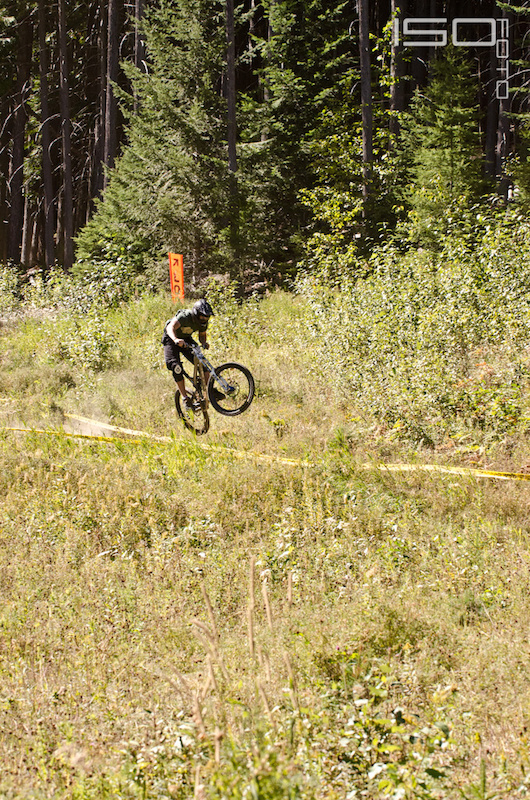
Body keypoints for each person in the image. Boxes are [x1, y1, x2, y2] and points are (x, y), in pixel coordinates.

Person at [162, 299, 217, 407]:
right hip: (170, 339)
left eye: (207, 317)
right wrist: (175, 339)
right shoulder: (185, 316)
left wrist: (204, 342)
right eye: (203, 316)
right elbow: (170, 327)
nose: (205, 319)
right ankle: (185, 398)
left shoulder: (203, 322)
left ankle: (211, 391)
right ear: (196, 313)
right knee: (176, 367)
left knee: (203, 363)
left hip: (186, 339)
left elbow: (202, 334)